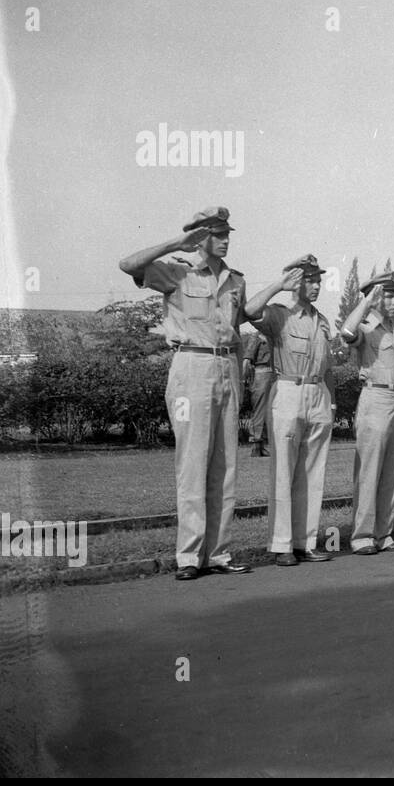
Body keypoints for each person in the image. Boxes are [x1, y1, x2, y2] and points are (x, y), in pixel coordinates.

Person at [118, 206, 253, 581]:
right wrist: (177, 243)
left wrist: (238, 373)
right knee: (193, 464)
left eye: (228, 234)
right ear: (199, 237)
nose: (226, 240)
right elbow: (127, 264)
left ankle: (218, 553)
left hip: (226, 367)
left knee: (225, 468)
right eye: (218, 234)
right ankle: (190, 556)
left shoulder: (235, 280)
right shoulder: (176, 269)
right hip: (191, 367)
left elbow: (237, 333)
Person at [245, 254, 336, 566]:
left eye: (318, 280)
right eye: (309, 280)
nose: (316, 286)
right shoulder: (280, 315)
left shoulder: (322, 320)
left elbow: (329, 366)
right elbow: (249, 310)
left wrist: (331, 402)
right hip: (288, 390)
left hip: (317, 393)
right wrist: (278, 286)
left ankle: (305, 542)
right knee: (283, 471)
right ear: (295, 283)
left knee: (313, 473)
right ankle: (282, 544)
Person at [340, 268, 394, 555]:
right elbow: (346, 332)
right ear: (376, 296)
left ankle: (384, 532)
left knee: (393, 469)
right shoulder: (367, 324)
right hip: (375, 396)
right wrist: (367, 302)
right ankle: (363, 535)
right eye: (389, 296)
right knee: (370, 470)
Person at [244, 330, 273, 457]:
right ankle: (256, 444)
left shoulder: (274, 336)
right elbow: (247, 361)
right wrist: (246, 380)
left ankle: (262, 445)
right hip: (261, 373)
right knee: (260, 410)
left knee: (270, 412)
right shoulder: (256, 337)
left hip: (274, 374)